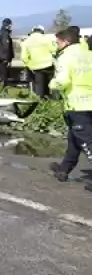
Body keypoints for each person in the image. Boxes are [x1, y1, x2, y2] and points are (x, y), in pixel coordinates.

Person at [48, 28, 92, 192]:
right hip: (89, 103)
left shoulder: (66, 57)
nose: (56, 45)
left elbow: (63, 81)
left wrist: (52, 84)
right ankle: (64, 169)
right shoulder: (88, 54)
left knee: (87, 142)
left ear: (65, 42)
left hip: (78, 104)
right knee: (74, 139)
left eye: (57, 42)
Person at [20, 25, 56, 99]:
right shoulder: (46, 39)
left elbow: (24, 57)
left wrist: (30, 65)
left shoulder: (26, 41)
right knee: (52, 85)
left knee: (39, 87)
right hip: (48, 65)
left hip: (36, 67)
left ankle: (40, 102)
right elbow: (54, 50)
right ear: (42, 31)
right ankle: (53, 100)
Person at [0, 18, 15, 87]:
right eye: (10, 25)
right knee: (4, 76)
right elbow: (6, 46)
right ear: (7, 25)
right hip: (4, 58)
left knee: (2, 75)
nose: (11, 26)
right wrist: (8, 58)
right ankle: (3, 92)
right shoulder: (5, 34)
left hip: (0, 56)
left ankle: (3, 89)